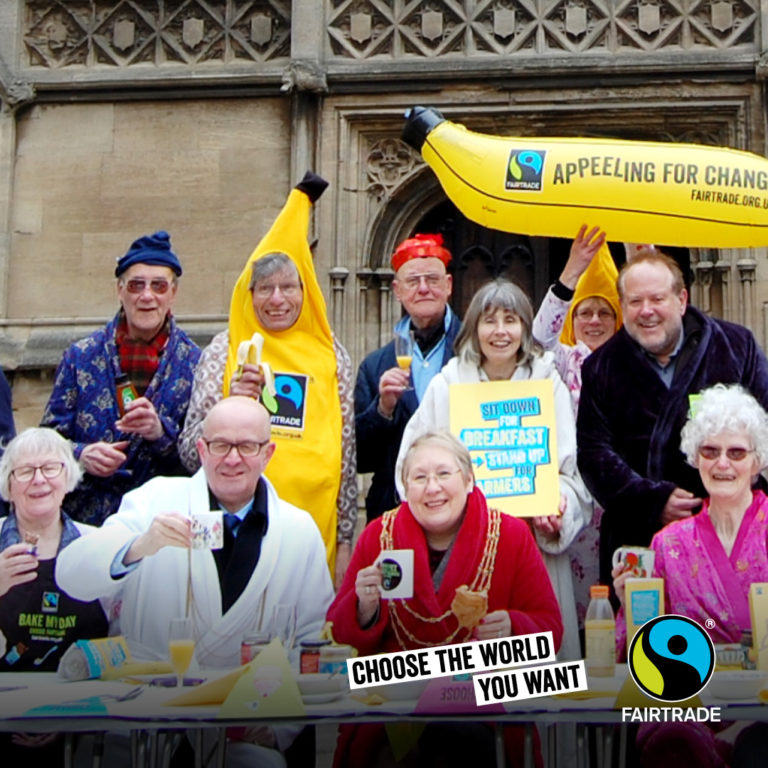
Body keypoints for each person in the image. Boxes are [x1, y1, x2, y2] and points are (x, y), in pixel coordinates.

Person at [56, 396, 334, 767]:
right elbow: (71, 573)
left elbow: (313, 641)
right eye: (220, 445)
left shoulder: (298, 530)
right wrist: (140, 545)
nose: (232, 459)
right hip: (147, 729)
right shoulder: (154, 501)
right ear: (201, 449)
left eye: (247, 446)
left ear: (268, 453)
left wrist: (276, 728)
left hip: (244, 732)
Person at [327, 431, 563, 768]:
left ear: (468, 480)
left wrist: (513, 625)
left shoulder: (510, 535)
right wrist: (364, 608)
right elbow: (338, 639)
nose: (432, 488)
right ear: (405, 488)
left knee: (455, 738)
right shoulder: (378, 537)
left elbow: (551, 632)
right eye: (419, 477)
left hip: (480, 700)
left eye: (443, 474)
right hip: (396, 701)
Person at [395, 279, 591, 662]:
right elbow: (411, 464)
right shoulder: (448, 384)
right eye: (489, 321)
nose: (500, 331)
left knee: (532, 666)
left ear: (524, 329)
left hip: (532, 548)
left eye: (511, 320)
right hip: (462, 546)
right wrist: (440, 510)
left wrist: (557, 509)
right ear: (474, 329)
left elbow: (571, 472)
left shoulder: (546, 383)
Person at [178, 173, 355, 586]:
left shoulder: (333, 355)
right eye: (265, 288)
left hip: (313, 535)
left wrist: (346, 539)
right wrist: (229, 404)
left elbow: (346, 456)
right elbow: (189, 453)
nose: (277, 299)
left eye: (288, 287)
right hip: (231, 532)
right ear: (249, 293)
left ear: (305, 292)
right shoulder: (223, 352)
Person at [577, 249, 768, 590]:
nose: (646, 311)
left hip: (735, 528)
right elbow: (594, 455)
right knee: (650, 638)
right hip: (642, 536)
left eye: (657, 299)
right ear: (623, 306)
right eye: (635, 301)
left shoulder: (736, 345)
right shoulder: (601, 367)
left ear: (681, 300)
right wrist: (652, 501)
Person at [613, 384, 768, 767]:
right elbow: (638, 653)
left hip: (764, 708)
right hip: (690, 707)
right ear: (695, 459)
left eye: (736, 453)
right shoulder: (668, 544)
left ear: (757, 461)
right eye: (710, 452)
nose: (722, 464)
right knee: (676, 741)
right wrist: (630, 604)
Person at [41, 231, 201, 526]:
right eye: (136, 285)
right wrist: (81, 454)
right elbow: (46, 440)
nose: (147, 296)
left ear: (173, 294)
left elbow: (202, 458)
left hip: (160, 522)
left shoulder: (195, 363)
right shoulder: (81, 356)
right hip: (84, 519)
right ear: (120, 290)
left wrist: (158, 433)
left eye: (159, 286)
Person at [0, 428, 109, 765]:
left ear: (68, 478)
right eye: (25, 471)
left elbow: (124, 642)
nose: (39, 480)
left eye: (51, 468)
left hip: (81, 719)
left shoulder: (98, 545)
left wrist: (69, 710)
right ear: (8, 485)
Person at [532, 225, 621, 636]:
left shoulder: (633, 359)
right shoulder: (564, 360)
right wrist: (571, 273)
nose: (594, 320)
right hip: (573, 504)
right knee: (576, 612)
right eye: (585, 312)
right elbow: (537, 338)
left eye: (605, 312)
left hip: (621, 500)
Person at [354, 233, 461, 522]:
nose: (423, 289)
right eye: (413, 282)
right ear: (397, 290)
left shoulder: (474, 349)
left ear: (448, 285)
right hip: (394, 511)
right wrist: (382, 409)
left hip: (463, 508)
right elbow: (360, 459)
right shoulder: (375, 365)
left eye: (432, 279)